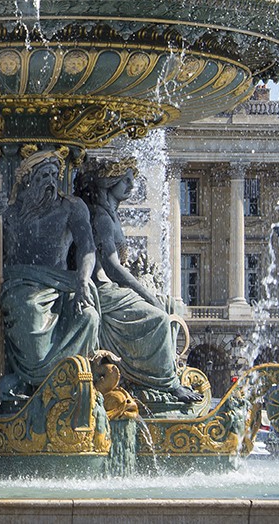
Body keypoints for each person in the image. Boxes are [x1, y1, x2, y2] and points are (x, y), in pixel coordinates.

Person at [75, 157, 203, 411]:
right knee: (158, 318)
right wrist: (145, 293)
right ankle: (166, 383)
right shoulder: (101, 218)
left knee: (170, 305)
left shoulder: (109, 216)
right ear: (108, 183)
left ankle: (162, 374)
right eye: (126, 180)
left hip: (111, 287)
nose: (132, 185)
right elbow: (112, 267)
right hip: (103, 289)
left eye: (132, 180)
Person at [0, 151, 100, 398]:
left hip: (63, 283)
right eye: (44, 175)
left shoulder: (72, 207)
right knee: (31, 312)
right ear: (27, 179)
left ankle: (71, 380)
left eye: (55, 174)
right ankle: (34, 379)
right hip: (22, 282)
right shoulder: (9, 213)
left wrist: (84, 280)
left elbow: (87, 247)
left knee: (88, 316)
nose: (51, 181)